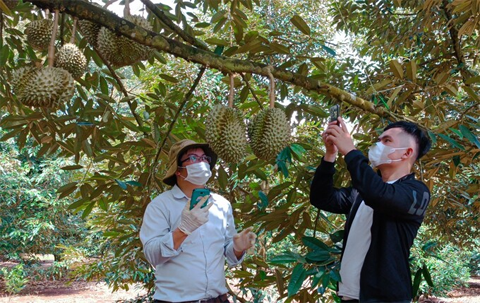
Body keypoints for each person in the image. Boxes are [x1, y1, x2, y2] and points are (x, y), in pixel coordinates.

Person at [310, 118, 432, 303]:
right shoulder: (360, 193)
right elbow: (322, 198)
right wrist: (330, 155)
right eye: (379, 139)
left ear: (407, 152)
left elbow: (380, 195)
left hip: (385, 298)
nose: (378, 145)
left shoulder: (416, 192)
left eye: (387, 141)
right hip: (350, 295)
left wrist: (350, 150)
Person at [140, 139, 256, 303]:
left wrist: (238, 248)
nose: (201, 162)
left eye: (204, 158)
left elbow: (229, 254)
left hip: (217, 299)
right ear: (178, 170)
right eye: (193, 158)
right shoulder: (160, 206)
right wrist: (183, 230)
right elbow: (152, 255)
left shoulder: (222, 205)